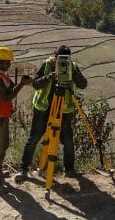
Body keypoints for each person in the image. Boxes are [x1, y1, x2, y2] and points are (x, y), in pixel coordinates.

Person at [16, 45, 87, 181]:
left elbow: (83, 84)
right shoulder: (47, 65)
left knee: (67, 141)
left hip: (64, 110)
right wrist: (48, 77)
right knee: (35, 138)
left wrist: (73, 73)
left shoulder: (72, 66)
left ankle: (70, 170)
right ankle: (23, 169)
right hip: (43, 109)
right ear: (54, 56)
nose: (61, 62)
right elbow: (35, 84)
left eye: (65, 59)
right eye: (59, 59)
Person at [0, 46, 31, 187]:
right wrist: (21, 84)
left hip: (0, 115)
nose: (7, 65)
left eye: (9, 62)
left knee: (3, 145)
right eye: (5, 62)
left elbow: (8, 90)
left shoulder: (1, 73)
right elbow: (6, 98)